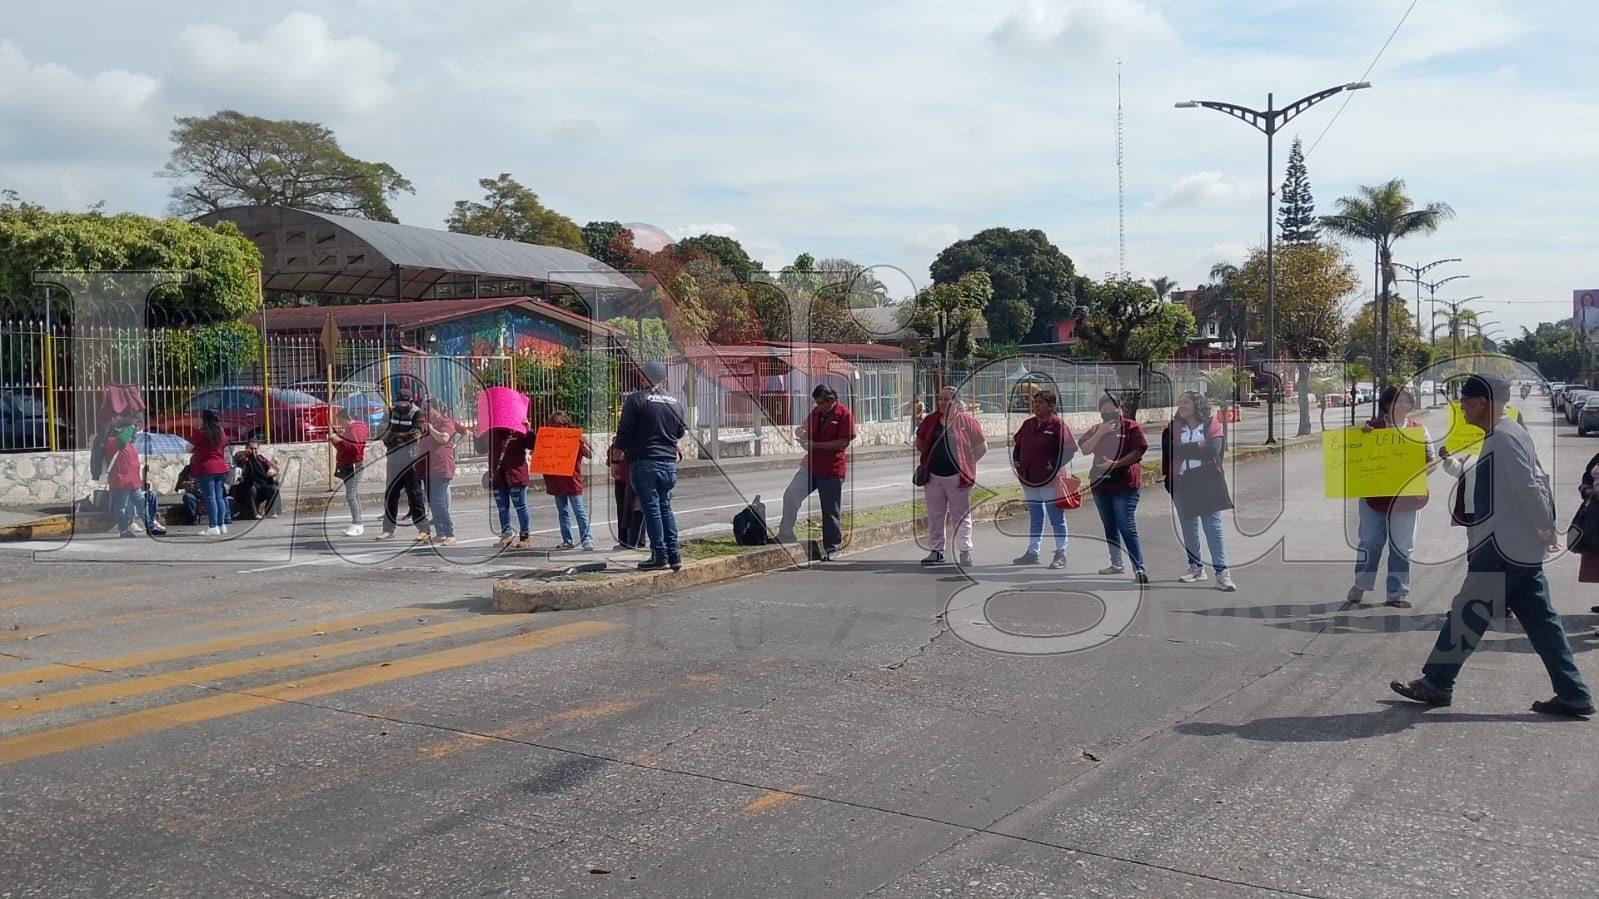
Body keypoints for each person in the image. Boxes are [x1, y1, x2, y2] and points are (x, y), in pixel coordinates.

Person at [1390, 374, 1595, 718]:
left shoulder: (1502, 437)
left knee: (1467, 612)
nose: (1462, 408)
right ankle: (1574, 693)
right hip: (1515, 546)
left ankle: (1437, 683)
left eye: (1465, 401)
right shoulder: (1507, 433)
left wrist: (1544, 526)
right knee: (1542, 623)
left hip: (1503, 547)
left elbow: (1530, 486)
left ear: (1482, 403)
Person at [1346, 386, 1442, 608]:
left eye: (1407, 402)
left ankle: (1397, 593)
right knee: (1370, 541)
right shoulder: (1371, 430)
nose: (1403, 406)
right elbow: (1355, 459)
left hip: (1407, 499)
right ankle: (1361, 584)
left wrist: (1415, 476)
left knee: (1402, 546)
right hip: (1375, 497)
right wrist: (1362, 440)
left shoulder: (1419, 431)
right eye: (1398, 402)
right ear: (1386, 405)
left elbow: (1431, 461)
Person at [615, 360, 687, 571]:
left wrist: (615, 459)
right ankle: (674, 554)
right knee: (665, 506)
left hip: (645, 461)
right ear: (664, 379)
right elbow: (680, 432)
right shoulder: (675, 402)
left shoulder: (636, 399)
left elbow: (625, 432)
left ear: (642, 377)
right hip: (668, 463)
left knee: (652, 509)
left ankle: (660, 555)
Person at [1161, 391, 1235, 591]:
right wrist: (1197, 446)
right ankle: (1195, 568)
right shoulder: (1174, 428)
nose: (1181, 405)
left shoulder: (1212, 424)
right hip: (1182, 482)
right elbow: (1170, 452)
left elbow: (1213, 450)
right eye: (1180, 402)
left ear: (1197, 405)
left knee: (1213, 526)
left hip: (1207, 481)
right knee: (1188, 527)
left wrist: (1185, 449)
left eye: (1186, 402)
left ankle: (1222, 573)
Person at [775, 384, 856, 562]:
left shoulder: (844, 415)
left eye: (820, 403)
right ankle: (786, 532)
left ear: (831, 400)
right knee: (791, 494)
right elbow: (805, 428)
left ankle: (832, 546)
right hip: (810, 465)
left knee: (830, 509)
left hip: (831, 469)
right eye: (816, 403)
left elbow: (843, 442)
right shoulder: (816, 413)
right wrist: (801, 432)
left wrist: (817, 446)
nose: (817, 406)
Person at [1077, 392, 1149, 583]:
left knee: (1126, 524)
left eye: (1112, 409)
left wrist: (1116, 464)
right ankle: (1116, 564)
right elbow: (1085, 450)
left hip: (1125, 483)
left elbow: (1138, 451)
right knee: (1109, 524)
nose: (1108, 412)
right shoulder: (1096, 429)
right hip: (1101, 485)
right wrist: (1100, 432)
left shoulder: (1131, 427)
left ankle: (1138, 568)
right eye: (1104, 409)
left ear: (1120, 409)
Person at [916, 386, 987, 567]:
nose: (942, 402)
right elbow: (920, 442)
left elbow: (981, 447)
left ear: (956, 402)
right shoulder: (930, 421)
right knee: (935, 515)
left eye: (947, 399)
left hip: (958, 477)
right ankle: (936, 551)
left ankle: (965, 550)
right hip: (933, 476)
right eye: (940, 398)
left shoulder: (967, 422)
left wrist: (967, 464)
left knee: (961, 515)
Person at [1010, 388, 1076, 569]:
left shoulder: (1058, 426)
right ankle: (1033, 551)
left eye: (1040, 403)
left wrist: (1052, 464)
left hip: (1051, 480)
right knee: (1036, 517)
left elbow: (1070, 450)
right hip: (1030, 479)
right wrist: (1017, 462)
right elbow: (1018, 445)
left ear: (1051, 406)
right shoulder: (1028, 424)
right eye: (1034, 402)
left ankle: (1061, 553)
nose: (1036, 405)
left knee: (1056, 517)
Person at [376, 391, 429, 543]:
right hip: (393, 460)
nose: (401, 406)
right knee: (390, 495)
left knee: (415, 495)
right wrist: (399, 437)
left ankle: (423, 530)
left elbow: (416, 435)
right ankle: (388, 530)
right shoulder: (390, 412)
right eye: (399, 403)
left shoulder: (418, 413)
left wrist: (394, 437)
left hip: (411, 461)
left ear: (410, 402)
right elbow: (381, 432)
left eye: (404, 404)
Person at [543, 410, 596, 551]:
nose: (557, 429)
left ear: (566, 425)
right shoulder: (547, 438)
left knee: (579, 511)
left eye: (559, 425)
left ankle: (587, 539)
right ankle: (567, 540)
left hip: (572, 480)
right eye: (553, 426)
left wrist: (582, 443)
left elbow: (590, 454)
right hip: (556, 481)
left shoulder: (576, 438)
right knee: (562, 511)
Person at [102, 422, 166, 538]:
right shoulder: (113, 442)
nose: (134, 436)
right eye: (131, 433)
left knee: (142, 504)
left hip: (133, 482)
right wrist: (131, 426)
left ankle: (150, 527)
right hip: (121, 481)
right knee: (121, 507)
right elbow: (122, 439)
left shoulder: (128, 444)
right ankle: (124, 530)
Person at [489, 421, 537, 549]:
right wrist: (479, 433)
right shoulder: (494, 431)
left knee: (520, 506)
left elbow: (532, 445)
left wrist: (529, 430)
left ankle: (525, 536)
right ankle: (506, 535)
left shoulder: (519, 430)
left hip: (516, 475)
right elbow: (481, 448)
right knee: (502, 508)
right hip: (499, 476)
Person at [420, 398, 459, 547]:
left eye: (429, 409)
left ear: (437, 409)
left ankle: (450, 533)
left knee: (438, 501)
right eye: (425, 409)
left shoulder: (446, 422)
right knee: (432, 502)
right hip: (427, 467)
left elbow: (444, 438)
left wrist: (430, 429)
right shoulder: (425, 424)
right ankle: (440, 533)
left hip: (442, 467)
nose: (426, 412)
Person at [328, 405, 370, 537]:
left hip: (354, 465)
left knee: (351, 495)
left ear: (348, 418)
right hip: (347, 464)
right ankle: (357, 522)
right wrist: (336, 441)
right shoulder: (349, 429)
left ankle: (357, 524)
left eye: (341, 421)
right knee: (353, 495)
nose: (340, 424)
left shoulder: (357, 429)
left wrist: (340, 440)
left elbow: (355, 449)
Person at [190, 408, 232, 536]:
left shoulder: (201, 432)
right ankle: (221, 524)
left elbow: (189, 447)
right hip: (221, 467)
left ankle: (213, 526)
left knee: (210, 497)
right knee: (219, 497)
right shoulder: (221, 432)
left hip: (207, 467)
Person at [607, 438, 645, 550]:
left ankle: (636, 541)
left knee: (637, 508)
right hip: (623, 475)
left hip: (633, 474)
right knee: (623, 509)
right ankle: (624, 540)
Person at [231, 439, 281, 520]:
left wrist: (272, 470)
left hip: (261, 488)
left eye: (255, 449)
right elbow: (236, 457)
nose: (253, 451)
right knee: (251, 488)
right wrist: (244, 453)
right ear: (246, 448)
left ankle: (269, 512)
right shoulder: (243, 458)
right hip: (246, 489)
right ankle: (254, 514)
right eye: (251, 448)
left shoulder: (260, 458)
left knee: (273, 488)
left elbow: (272, 467)